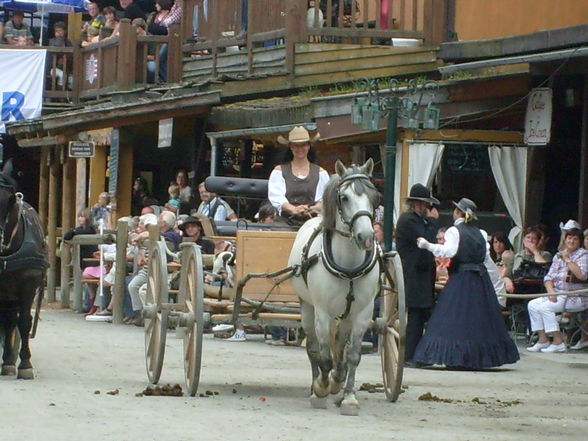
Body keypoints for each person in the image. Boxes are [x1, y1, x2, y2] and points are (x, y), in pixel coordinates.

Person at [413, 198, 520, 369]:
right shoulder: (481, 233)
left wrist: (427, 245)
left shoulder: (454, 231)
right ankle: (474, 359)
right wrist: (497, 287)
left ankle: (455, 357)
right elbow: (487, 262)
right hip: (479, 280)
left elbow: (448, 251)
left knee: (452, 318)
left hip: (461, 279)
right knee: (477, 319)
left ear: (457, 213)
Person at [394, 183, 439, 366]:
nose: (424, 207)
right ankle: (409, 355)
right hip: (412, 273)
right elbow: (425, 240)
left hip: (422, 273)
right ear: (413, 203)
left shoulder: (421, 220)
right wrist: (434, 221)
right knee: (414, 315)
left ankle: (416, 354)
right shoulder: (408, 220)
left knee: (420, 315)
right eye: (420, 204)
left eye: (425, 204)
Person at [526, 228, 588, 353]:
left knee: (545, 308)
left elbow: (582, 275)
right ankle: (543, 340)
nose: (571, 241)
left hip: (575, 297)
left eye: (575, 239)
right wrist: (551, 291)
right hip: (557, 294)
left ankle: (558, 342)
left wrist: (568, 260)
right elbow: (549, 277)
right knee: (532, 305)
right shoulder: (558, 255)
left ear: (580, 242)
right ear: (565, 239)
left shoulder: (584, 255)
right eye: (569, 238)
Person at [268, 126, 329, 225]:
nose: (300, 148)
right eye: (296, 145)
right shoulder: (279, 171)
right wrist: (293, 209)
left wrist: (311, 209)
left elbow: (324, 199)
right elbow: (277, 197)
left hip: (311, 222)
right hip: (285, 222)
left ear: (309, 146)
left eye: (303, 145)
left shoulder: (321, 173)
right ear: (291, 147)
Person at [504, 226, 552, 293]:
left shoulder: (545, 255)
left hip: (537, 289)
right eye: (528, 237)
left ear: (538, 241)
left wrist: (534, 251)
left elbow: (545, 268)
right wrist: (508, 282)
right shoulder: (517, 256)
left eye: (534, 239)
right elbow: (507, 275)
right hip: (517, 287)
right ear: (523, 240)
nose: (530, 240)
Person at [47, 21, 73, 89]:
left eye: (60, 31)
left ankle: (67, 97)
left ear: (64, 31)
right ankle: (60, 95)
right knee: (62, 75)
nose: (58, 33)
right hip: (52, 68)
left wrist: (65, 59)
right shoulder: (51, 41)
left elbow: (71, 56)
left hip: (66, 68)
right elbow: (52, 54)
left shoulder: (68, 42)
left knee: (71, 80)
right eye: (56, 31)